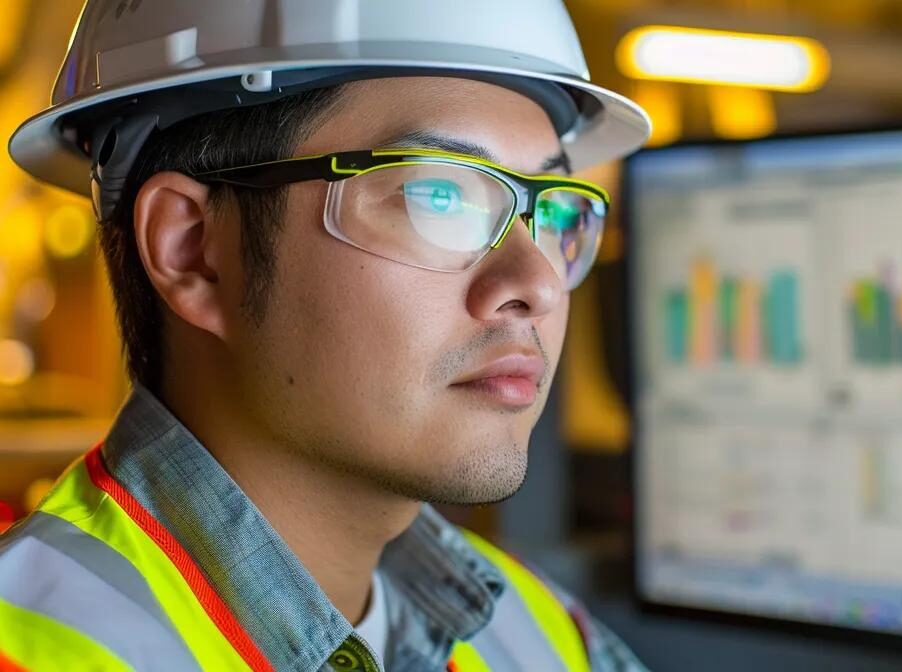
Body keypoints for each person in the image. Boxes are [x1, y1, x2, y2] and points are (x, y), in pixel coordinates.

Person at [0, 1, 652, 670]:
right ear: (193, 249)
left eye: (554, 212)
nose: (538, 283)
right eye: (439, 197)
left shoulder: (541, 635)